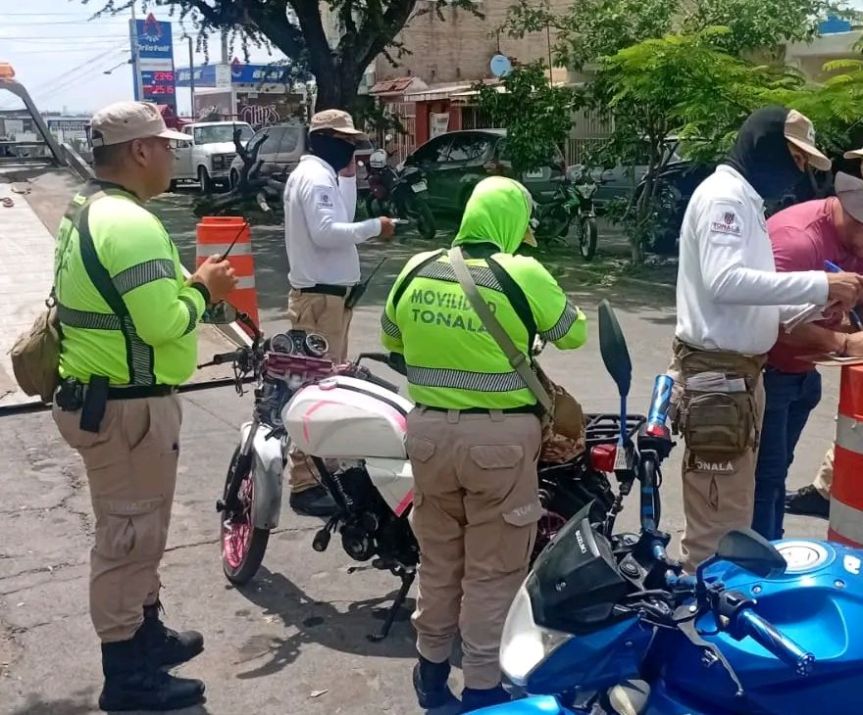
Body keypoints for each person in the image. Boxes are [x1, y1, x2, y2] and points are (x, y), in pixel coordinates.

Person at [51, 102, 237, 711]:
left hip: (110, 404)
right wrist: (206, 289)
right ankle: (128, 676)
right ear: (139, 152)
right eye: (165, 145)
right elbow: (161, 324)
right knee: (127, 539)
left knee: (139, 534)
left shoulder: (88, 210)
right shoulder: (131, 226)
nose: (172, 154)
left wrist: (190, 284)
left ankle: (145, 633)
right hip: (127, 411)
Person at [381, 176, 588, 712]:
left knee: (439, 561)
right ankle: (481, 689)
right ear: (512, 224)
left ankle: (429, 675)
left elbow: (392, 339)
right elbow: (574, 334)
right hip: (498, 444)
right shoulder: (520, 272)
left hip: (426, 438)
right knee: (493, 573)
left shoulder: (415, 269)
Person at [671, 105, 863, 573]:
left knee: (737, 506)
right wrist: (820, 284)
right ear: (765, 145)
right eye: (795, 159)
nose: (798, 173)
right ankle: (703, 629)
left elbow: (751, 295)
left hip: (738, 376)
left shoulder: (745, 200)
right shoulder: (725, 199)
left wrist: (816, 306)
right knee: (719, 526)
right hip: (719, 377)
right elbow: (724, 281)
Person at [283, 108, 396, 516]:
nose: (352, 148)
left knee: (327, 386)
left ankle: (323, 471)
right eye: (345, 142)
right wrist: (375, 227)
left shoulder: (321, 175)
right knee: (315, 390)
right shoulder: (314, 178)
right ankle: (305, 482)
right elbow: (328, 233)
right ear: (326, 140)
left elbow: (339, 218)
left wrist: (349, 176)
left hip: (328, 300)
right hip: (320, 302)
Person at [753, 172, 863, 539]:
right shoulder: (798, 241)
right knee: (764, 480)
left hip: (802, 372)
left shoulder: (853, 240)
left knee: (776, 472)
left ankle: (771, 547)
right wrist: (844, 343)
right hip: (766, 372)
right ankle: (761, 567)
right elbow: (767, 317)